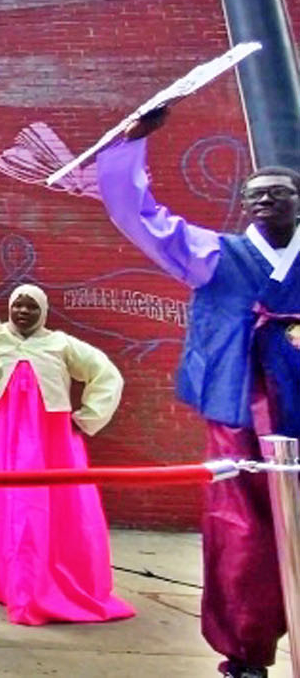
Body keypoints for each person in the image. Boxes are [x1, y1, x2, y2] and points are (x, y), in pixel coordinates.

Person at [95, 105, 299, 678]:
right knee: (242, 538)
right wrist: (132, 143)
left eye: (278, 193)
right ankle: (246, 654)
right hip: (239, 412)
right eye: (255, 193)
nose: (264, 201)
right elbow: (142, 216)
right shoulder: (215, 254)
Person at [0, 251, 132, 625]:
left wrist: (86, 417)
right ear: (9, 308)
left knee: (36, 506)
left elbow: (107, 374)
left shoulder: (61, 344)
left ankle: (33, 577)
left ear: (43, 311)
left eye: (31, 306)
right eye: (18, 305)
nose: (23, 312)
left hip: (45, 439)